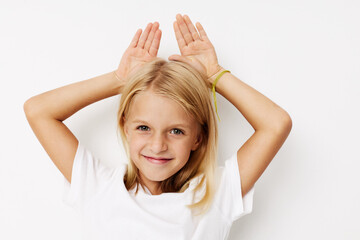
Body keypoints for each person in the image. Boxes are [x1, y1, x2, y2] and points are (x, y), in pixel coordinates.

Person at [24, 14, 292, 240]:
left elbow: (276, 124)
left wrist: (214, 75)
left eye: (176, 131)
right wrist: (120, 80)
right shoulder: (97, 187)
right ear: (125, 126)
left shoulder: (215, 195)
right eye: (144, 128)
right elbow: (38, 110)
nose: (157, 145)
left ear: (198, 138)